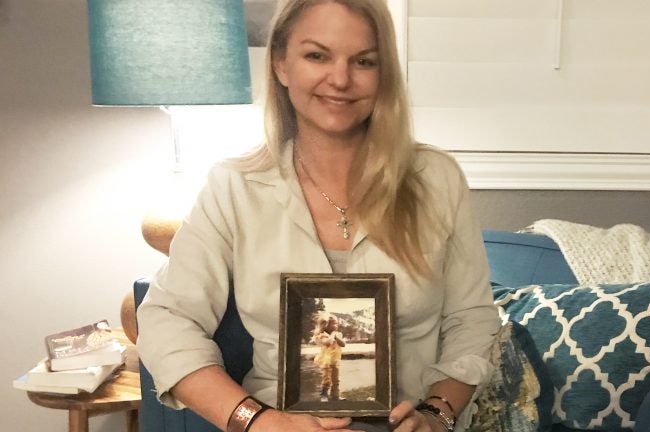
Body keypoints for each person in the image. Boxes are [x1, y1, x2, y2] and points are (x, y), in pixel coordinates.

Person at [136, 0, 500, 431]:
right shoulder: (234, 187)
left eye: (363, 61)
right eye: (317, 55)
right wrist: (255, 420)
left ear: (384, 75)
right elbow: (167, 318)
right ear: (281, 65)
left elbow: (472, 319)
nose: (341, 79)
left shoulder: (437, 179)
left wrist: (437, 415)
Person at [311, 312, 346, 402]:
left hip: (335, 360)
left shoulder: (338, 334)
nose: (336, 325)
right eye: (334, 323)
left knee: (336, 380)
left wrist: (336, 337)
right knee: (326, 379)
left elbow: (343, 344)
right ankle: (324, 395)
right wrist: (333, 335)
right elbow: (328, 342)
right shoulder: (321, 335)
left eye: (337, 323)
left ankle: (335, 396)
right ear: (326, 325)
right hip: (325, 361)